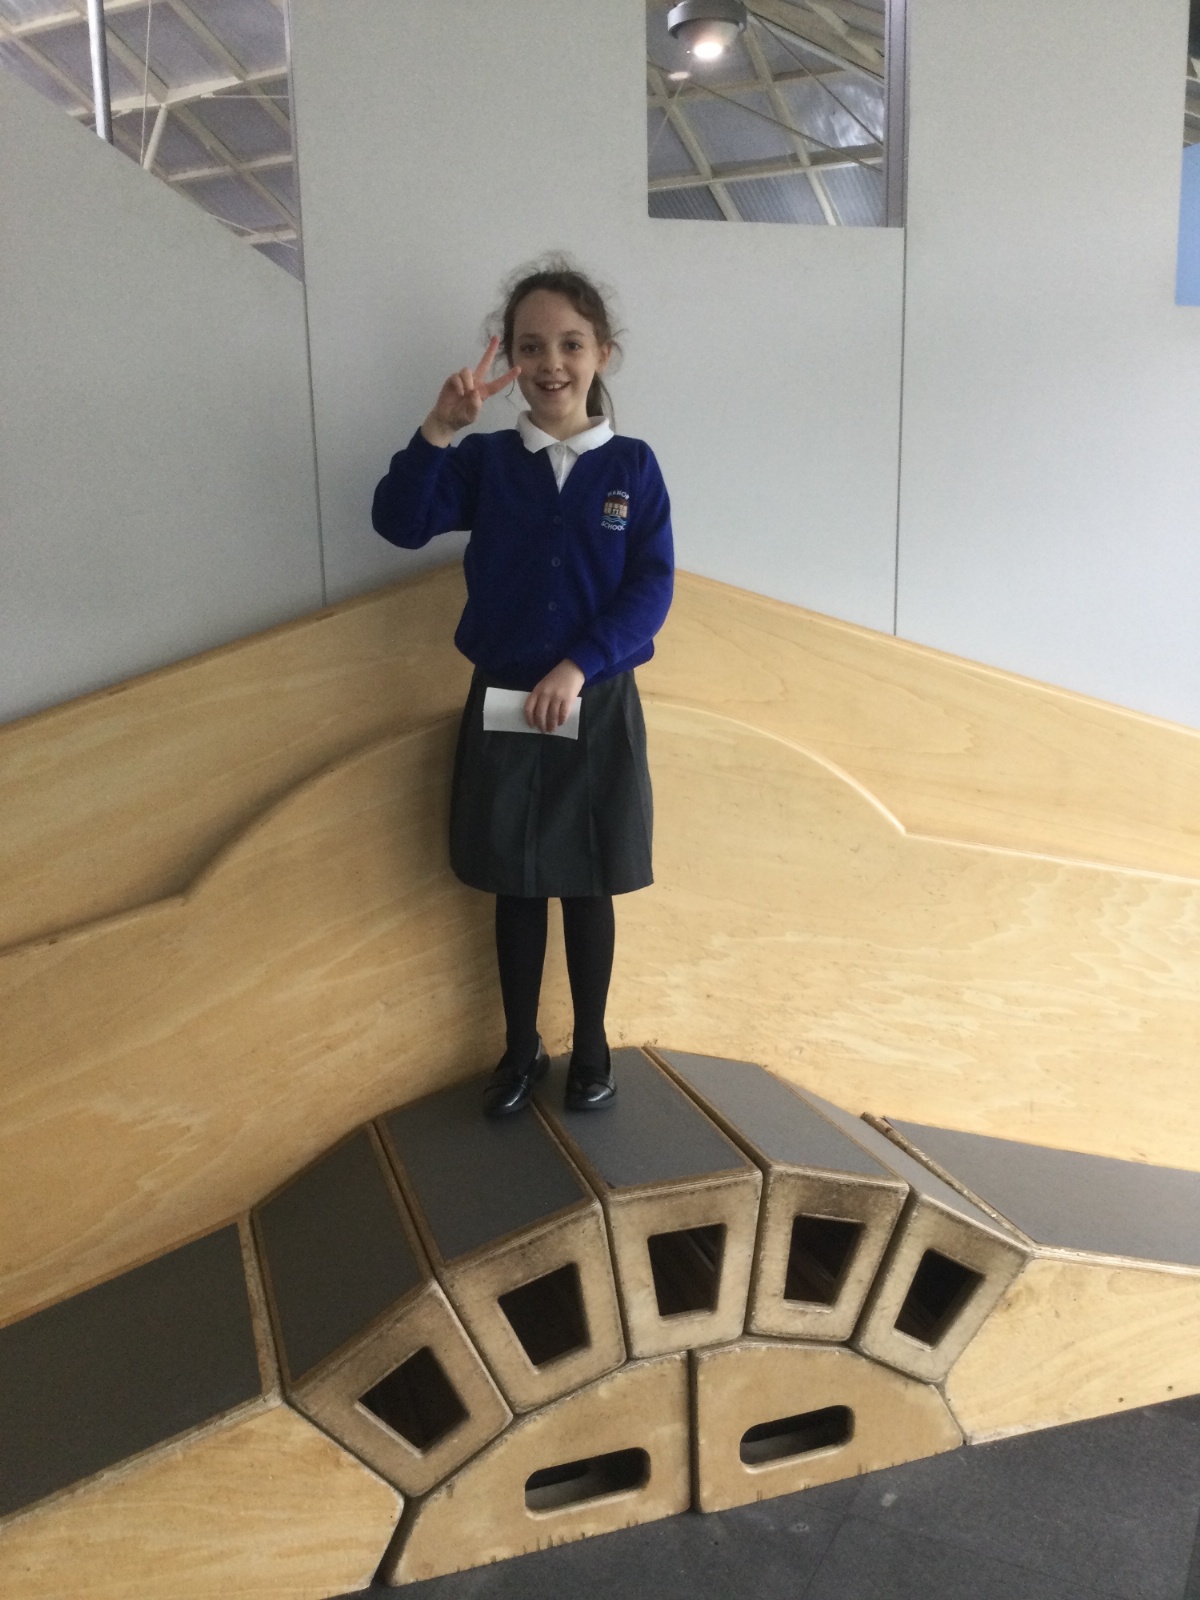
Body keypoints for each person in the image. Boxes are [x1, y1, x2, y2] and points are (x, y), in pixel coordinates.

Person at [372, 261, 674, 1117]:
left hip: (595, 701)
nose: (552, 364)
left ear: (602, 353)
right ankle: (518, 1048)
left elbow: (651, 586)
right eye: (531, 347)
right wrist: (439, 428)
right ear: (508, 358)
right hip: (504, 700)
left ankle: (592, 1046)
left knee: (588, 880)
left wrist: (580, 665)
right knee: (517, 880)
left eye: (571, 344)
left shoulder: (632, 467)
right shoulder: (486, 461)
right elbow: (399, 522)